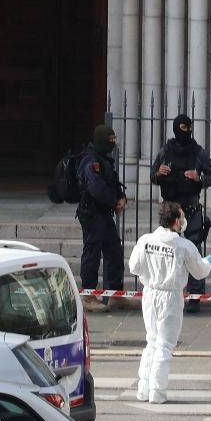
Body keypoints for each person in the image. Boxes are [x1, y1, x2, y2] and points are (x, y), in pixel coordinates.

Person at [128, 202, 211, 404]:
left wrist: (148, 275)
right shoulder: (183, 246)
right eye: (182, 217)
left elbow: (134, 267)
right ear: (176, 221)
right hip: (170, 296)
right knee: (165, 345)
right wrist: (207, 263)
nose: (184, 221)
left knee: (152, 341)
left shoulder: (146, 240)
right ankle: (157, 391)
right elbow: (199, 272)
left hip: (150, 293)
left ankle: (143, 388)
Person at [151, 114, 211, 313]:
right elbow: (153, 176)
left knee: (193, 250)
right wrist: (159, 173)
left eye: (189, 127)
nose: (186, 130)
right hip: (170, 210)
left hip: (190, 209)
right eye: (182, 127)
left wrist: (199, 178)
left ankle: (195, 297)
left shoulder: (198, 153)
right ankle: (168, 291)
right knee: (166, 251)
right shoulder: (165, 151)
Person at [76, 125, 133, 314]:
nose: (113, 143)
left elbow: (113, 182)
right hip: (92, 214)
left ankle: (116, 295)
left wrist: (121, 196)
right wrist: (114, 202)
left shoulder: (104, 159)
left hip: (104, 213)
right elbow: (96, 188)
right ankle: (89, 295)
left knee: (114, 251)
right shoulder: (90, 160)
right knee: (92, 253)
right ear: (102, 140)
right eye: (110, 140)